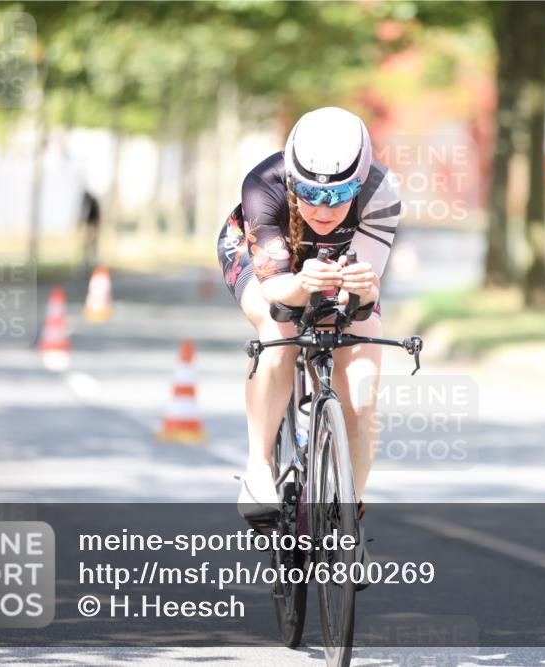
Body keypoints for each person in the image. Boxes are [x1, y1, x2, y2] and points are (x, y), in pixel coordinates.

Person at [217, 107, 401, 568]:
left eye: (337, 195)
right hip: (263, 256)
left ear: (358, 183)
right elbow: (279, 294)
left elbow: (362, 297)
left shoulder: (382, 190)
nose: (322, 208)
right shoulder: (264, 182)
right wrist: (301, 285)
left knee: (362, 363)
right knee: (278, 328)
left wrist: (360, 293)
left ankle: (350, 514)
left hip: (341, 265)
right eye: (309, 192)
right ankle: (259, 466)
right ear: (292, 181)